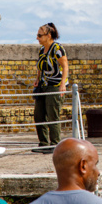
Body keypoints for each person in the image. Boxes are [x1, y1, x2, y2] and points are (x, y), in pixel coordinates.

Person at [33, 22, 68, 153]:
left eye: (39, 35)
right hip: (43, 85)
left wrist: (63, 84)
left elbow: (65, 66)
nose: (37, 38)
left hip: (55, 85)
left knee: (53, 115)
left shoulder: (57, 48)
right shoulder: (42, 49)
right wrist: (37, 79)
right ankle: (43, 143)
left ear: (48, 35)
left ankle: (55, 145)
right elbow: (40, 65)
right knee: (39, 114)